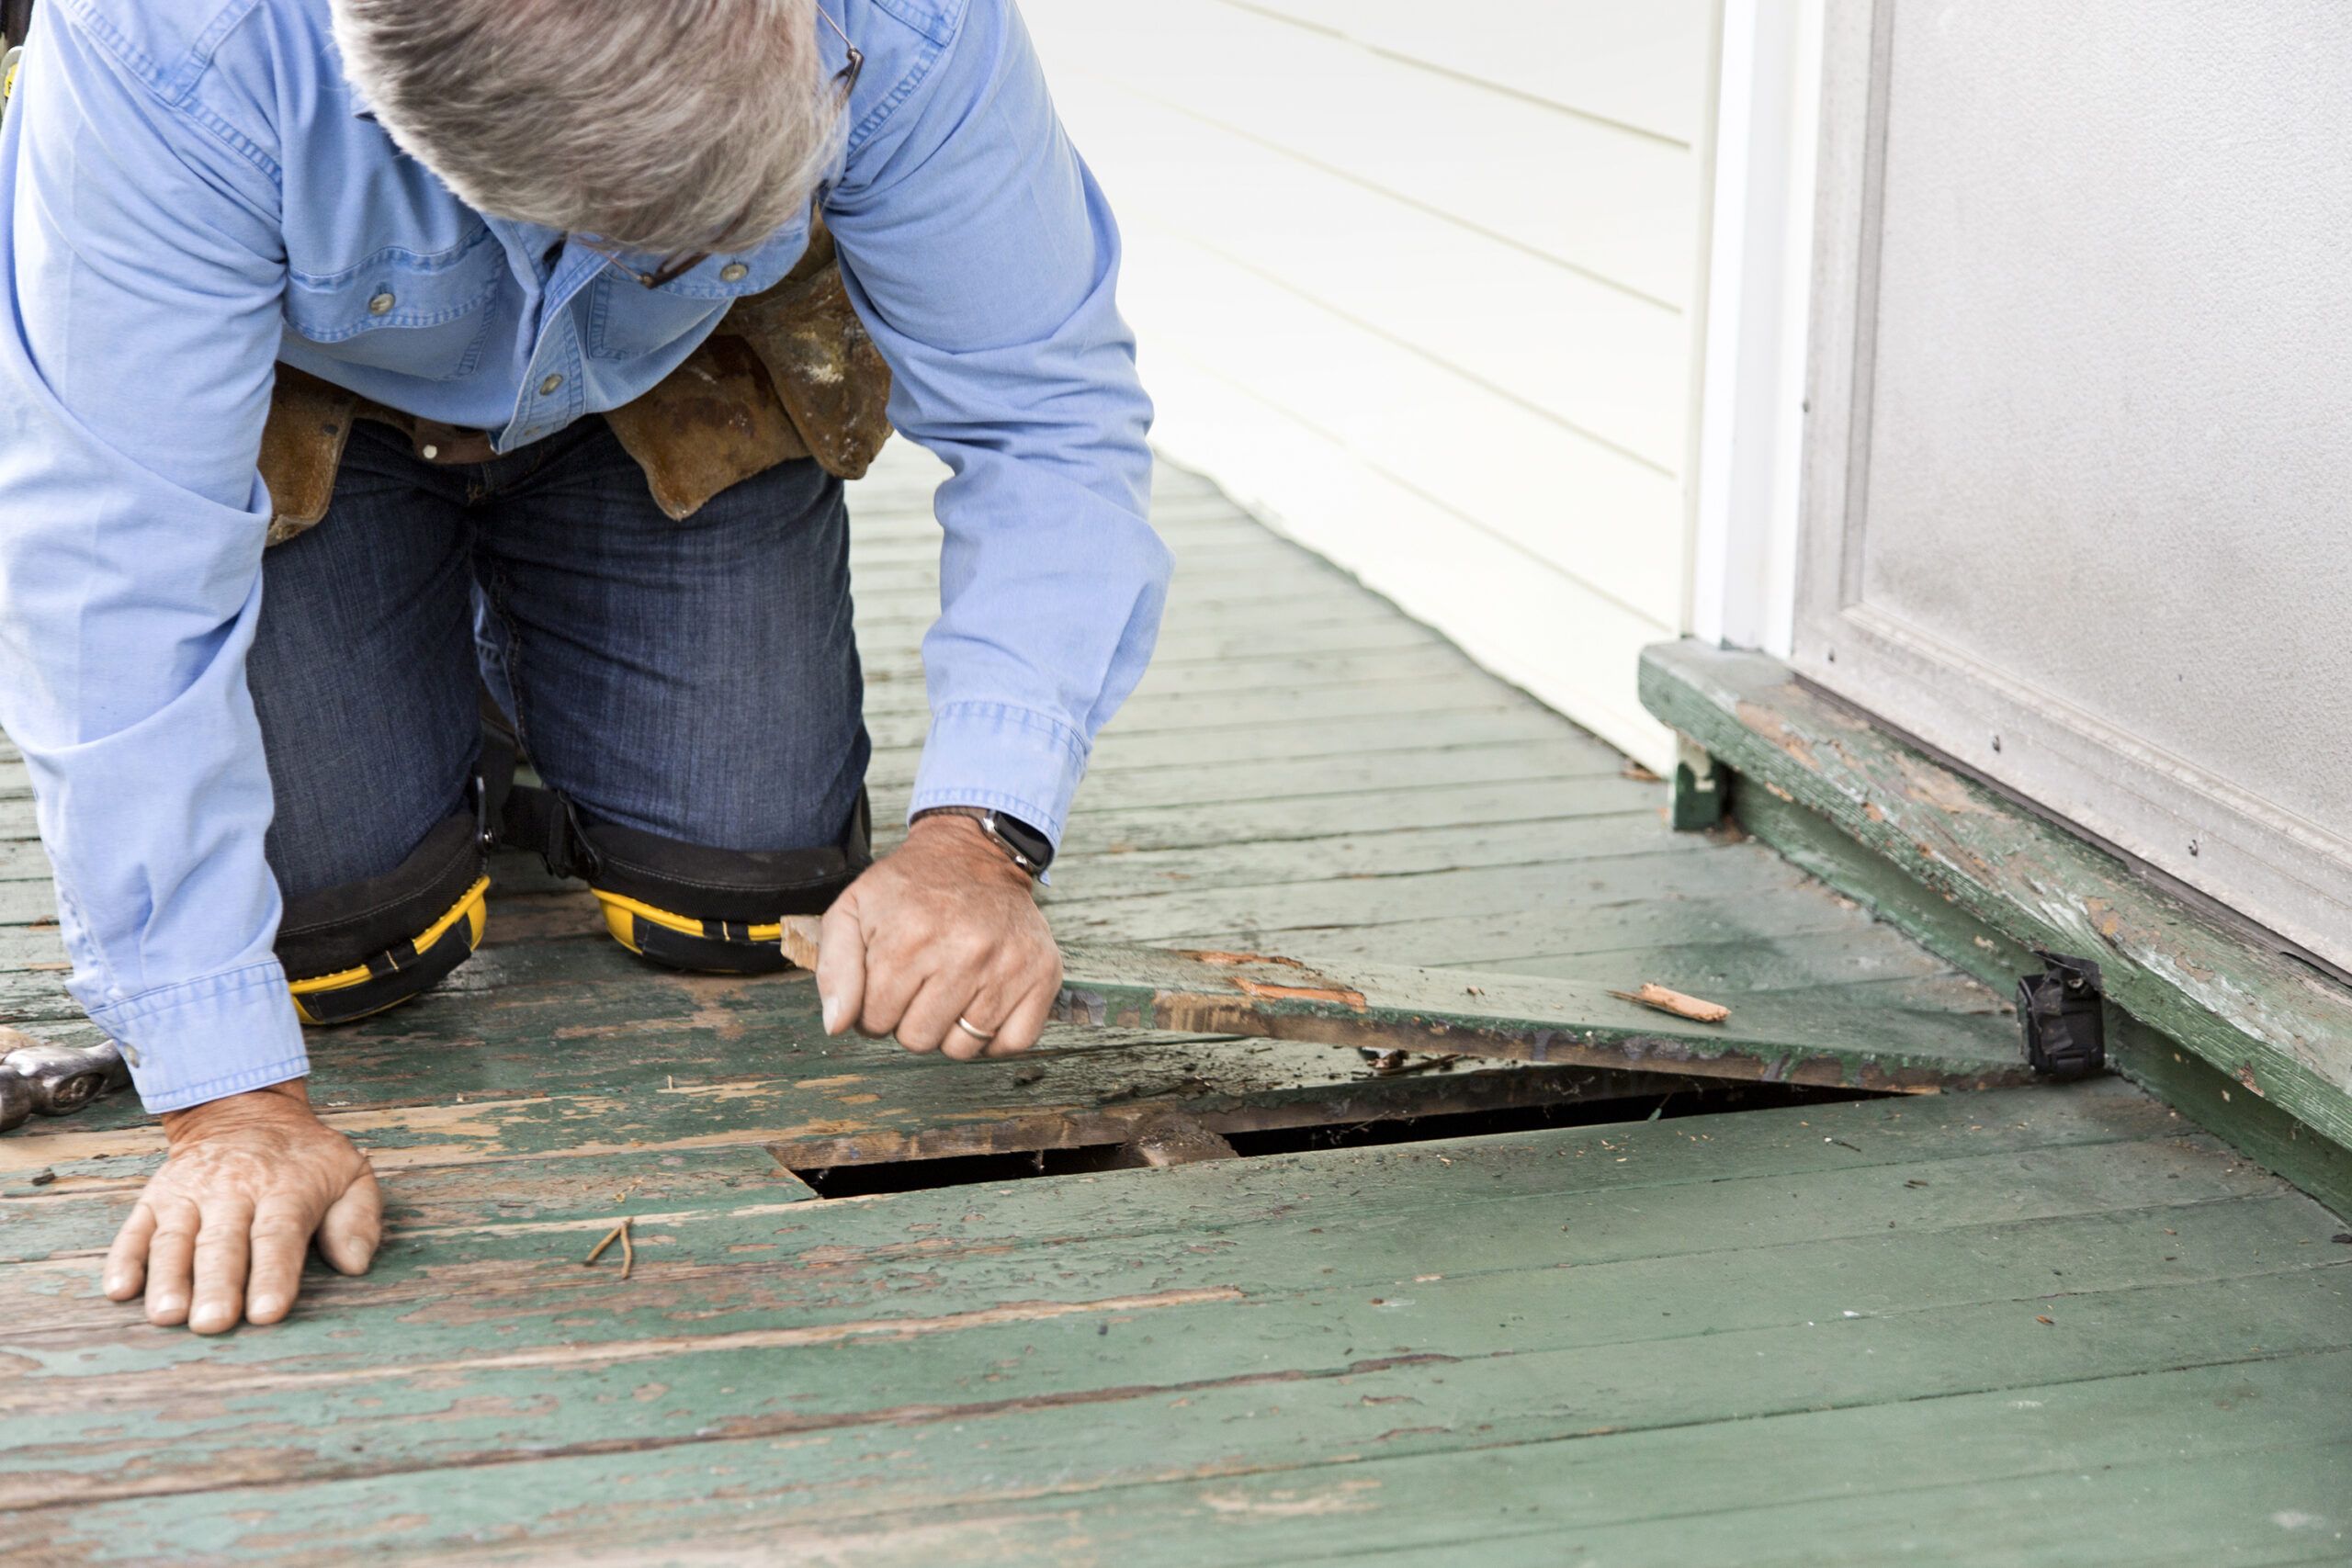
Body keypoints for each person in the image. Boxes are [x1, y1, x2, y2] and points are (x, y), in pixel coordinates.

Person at [0, 0, 1166, 1334]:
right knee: (335, 952)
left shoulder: (901, 24)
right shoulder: (170, 50)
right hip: (296, 397)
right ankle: (438, 662)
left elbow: (1051, 422)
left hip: (665, 384)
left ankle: (519, 664)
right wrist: (227, 1100)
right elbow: (110, 582)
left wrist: (980, 837)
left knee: (737, 893)